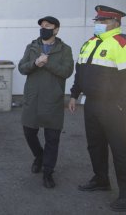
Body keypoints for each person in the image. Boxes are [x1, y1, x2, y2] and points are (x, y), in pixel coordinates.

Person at [68, 5, 126, 212]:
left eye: (103, 21)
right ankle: (101, 179)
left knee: (120, 149)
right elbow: (80, 71)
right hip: (92, 103)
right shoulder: (90, 43)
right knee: (95, 144)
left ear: (116, 23)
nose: (98, 24)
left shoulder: (123, 43)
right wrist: (74, 94)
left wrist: (123, 104)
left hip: (114, 106)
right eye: (97, 21)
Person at [18, 16, 74, 188]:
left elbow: (67, 71)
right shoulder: (32, 46)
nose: (44, 29)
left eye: (48, 26)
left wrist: (47, 63)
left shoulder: (64, 49)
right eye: (42, 26)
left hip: (53, 100)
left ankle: (48, 172)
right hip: (32, 99)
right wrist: (35, 62)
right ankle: (39, 156)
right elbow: (22, 68)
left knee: (52, 138)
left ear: (56, 29)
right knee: (29, 132)